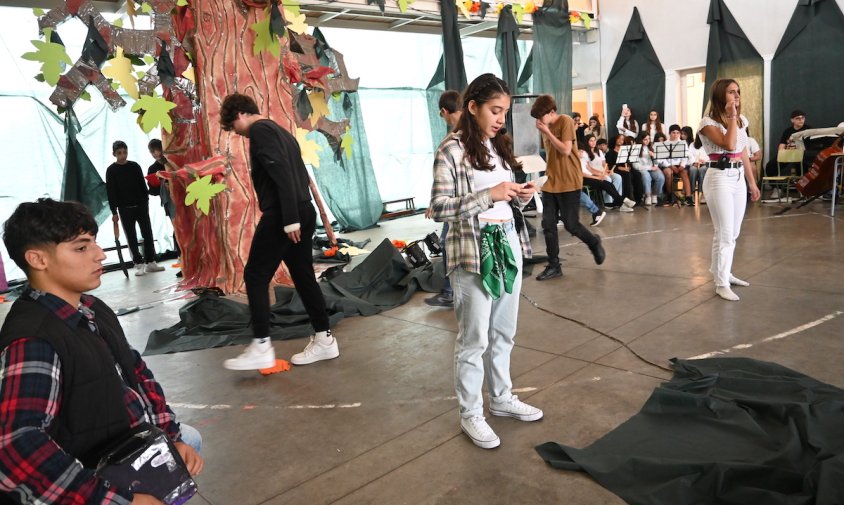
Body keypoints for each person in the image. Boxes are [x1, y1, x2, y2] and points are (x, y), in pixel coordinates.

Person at [0, 198, 204, 505]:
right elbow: (15, 446)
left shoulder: (91, 308)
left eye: (94, 242)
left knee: (190, 439)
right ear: (38, 259)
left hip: (125, 443)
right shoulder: (34, 340)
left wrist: (169, 436)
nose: (100, 254)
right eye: (81, 248)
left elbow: (135, 371)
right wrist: (117, 500)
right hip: (94, 469)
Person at [429, 74, 542, 449]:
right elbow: (440, 209)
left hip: (507, 242)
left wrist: (519, 195)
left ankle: (502, 398)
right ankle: (471, 413)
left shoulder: (497, 146)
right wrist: (488, 194)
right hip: (473, 251)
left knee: (504, 332)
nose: (500, 119)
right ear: (472, 107)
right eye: (495, 110)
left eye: (504, 112)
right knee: (474, 338)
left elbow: (503, 200)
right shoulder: (450, 149)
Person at [219, 93, 339, 369]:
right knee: (303, 274)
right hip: (301, 210)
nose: (237, 134)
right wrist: (296, 215)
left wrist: (290, 219)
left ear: (239, 115)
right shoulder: (280, 131)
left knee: (255, 274)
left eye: (232, 127)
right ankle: (325, 339)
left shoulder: (260, 130)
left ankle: (261, 344)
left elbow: (281, 171)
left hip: (285, 215)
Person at [531, 95, 606, 282]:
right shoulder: (544, 127)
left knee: (571, 224)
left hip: (569, 181)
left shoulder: (565, 121)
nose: (539, 121)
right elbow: (550, 153)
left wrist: (547, 132)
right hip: (551, 181)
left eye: (542, 117)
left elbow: (565, 150)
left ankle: (594, 242)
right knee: (548, 225)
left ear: (551, 112)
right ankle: (554, 265)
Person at [698, 79, 761, 302]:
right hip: (718, 178)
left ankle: (721, 272)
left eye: (738, 92)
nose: (736, 96)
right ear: (719, 96)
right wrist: (732, 117)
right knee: (724, 233)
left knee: (731, 233)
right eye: (731, 92)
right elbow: (729, 144)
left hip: (737, 178)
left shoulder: (742, 120)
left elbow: (742, 151)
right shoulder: (707, 123)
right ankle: (721, 283)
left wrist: (752, 183)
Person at [106, 141, 166, 276]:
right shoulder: (111, 170)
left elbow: (142, 185)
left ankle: (151, 261)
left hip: (141, 205)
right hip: (124, 208)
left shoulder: (134, 166)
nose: (123, 155)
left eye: (125, 152)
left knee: (147, 233)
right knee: (131, 236)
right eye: (119, 153)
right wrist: (113, 211)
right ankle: (138, 263)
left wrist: (145, 200)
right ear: (114, 154)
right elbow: (111, 192)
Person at [426, 90, 463, 308]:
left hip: (458, 203)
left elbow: (447, 175)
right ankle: (451, 289)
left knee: (447, 243)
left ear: (444, 111)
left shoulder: (450, 141)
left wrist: (439, 201)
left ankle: (450, 291)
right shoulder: (472, 134)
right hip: (467, 201)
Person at [147, 139, 182, 278]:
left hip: (182, 197)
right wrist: (160, 183)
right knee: (177, 230)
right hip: (169, 201)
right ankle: (182, 260)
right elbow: (153, 191)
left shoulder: (172, 161)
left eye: (156, 150)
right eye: (152, 152)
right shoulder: (153, 168)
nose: (155, 153)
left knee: (184, 229)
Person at [764, 110, 812, 192]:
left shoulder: (808, 130)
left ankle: (803, 189)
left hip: (803, 155)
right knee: (770, 166)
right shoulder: (788, 131)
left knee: (802, 165)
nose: (801, 120)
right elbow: (781, 146)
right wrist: (783, 153)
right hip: (788, 154)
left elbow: (811, 146)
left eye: (802, 118)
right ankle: (776, 188)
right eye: (798, 118)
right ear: (792, 120)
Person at [658, 125, 694, 206]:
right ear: (669, 133)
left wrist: (682, 165)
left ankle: (688, 197)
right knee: (668, 173)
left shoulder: (683, 143)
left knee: (684, 173)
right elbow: (662, 159)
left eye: (678, 133)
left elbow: (685, 156)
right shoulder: (664, 143)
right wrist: (670, 166)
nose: (675, 135)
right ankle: (670, 195)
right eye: (673, 133)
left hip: (679, 164)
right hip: (668, 165)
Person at [632, 132, 665, 206]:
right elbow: (635, 165)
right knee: (646, 177)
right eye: (645, 139)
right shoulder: (635, 148)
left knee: (660, 177)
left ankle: (655, 194)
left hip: (651, 167)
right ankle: (648, 196)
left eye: (649, 139)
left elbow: (657, 162)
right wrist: (650, 167)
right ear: (640, 140)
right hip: (642, 168)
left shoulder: (651, 147)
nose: (647, 141)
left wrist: (654, 156)